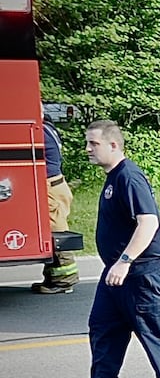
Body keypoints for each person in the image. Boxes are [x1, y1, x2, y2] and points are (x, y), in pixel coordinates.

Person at [62, 120, 160, 378]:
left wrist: (124, 261)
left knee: (154, 334)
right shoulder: (113, 177)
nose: (88, 149)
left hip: (142, 272)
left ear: (113, 145)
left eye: (93, 143)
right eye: (87, 143)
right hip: (117, 274)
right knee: (103, 329)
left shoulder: (129, 177)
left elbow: (149, 222)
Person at [32, 118, 80, 294]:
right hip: (55, 185)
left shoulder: (40, 130)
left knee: (57, 234)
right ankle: (53, 278)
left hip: (50, 187)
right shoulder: (47, 127)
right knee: (51, 233)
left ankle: (65, 281)